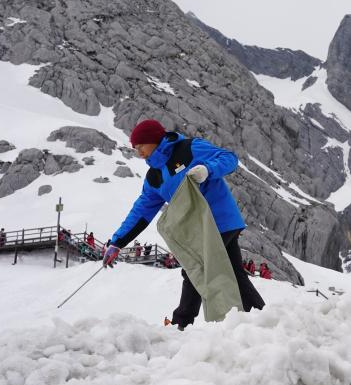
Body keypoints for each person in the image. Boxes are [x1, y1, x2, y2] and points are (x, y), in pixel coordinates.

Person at [104, 119, 264, 329]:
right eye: (135, 149)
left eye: (141, 146)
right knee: (232, 273)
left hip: (220, 219)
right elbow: (142, 211)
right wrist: (118, 242)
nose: (139, 152)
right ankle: (263, 318)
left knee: (194, 267)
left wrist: (207, 169)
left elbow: (229, 158)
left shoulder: (188, 148)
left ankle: (181, 323)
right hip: (200, 228)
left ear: (153, 140)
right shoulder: (154, 177)